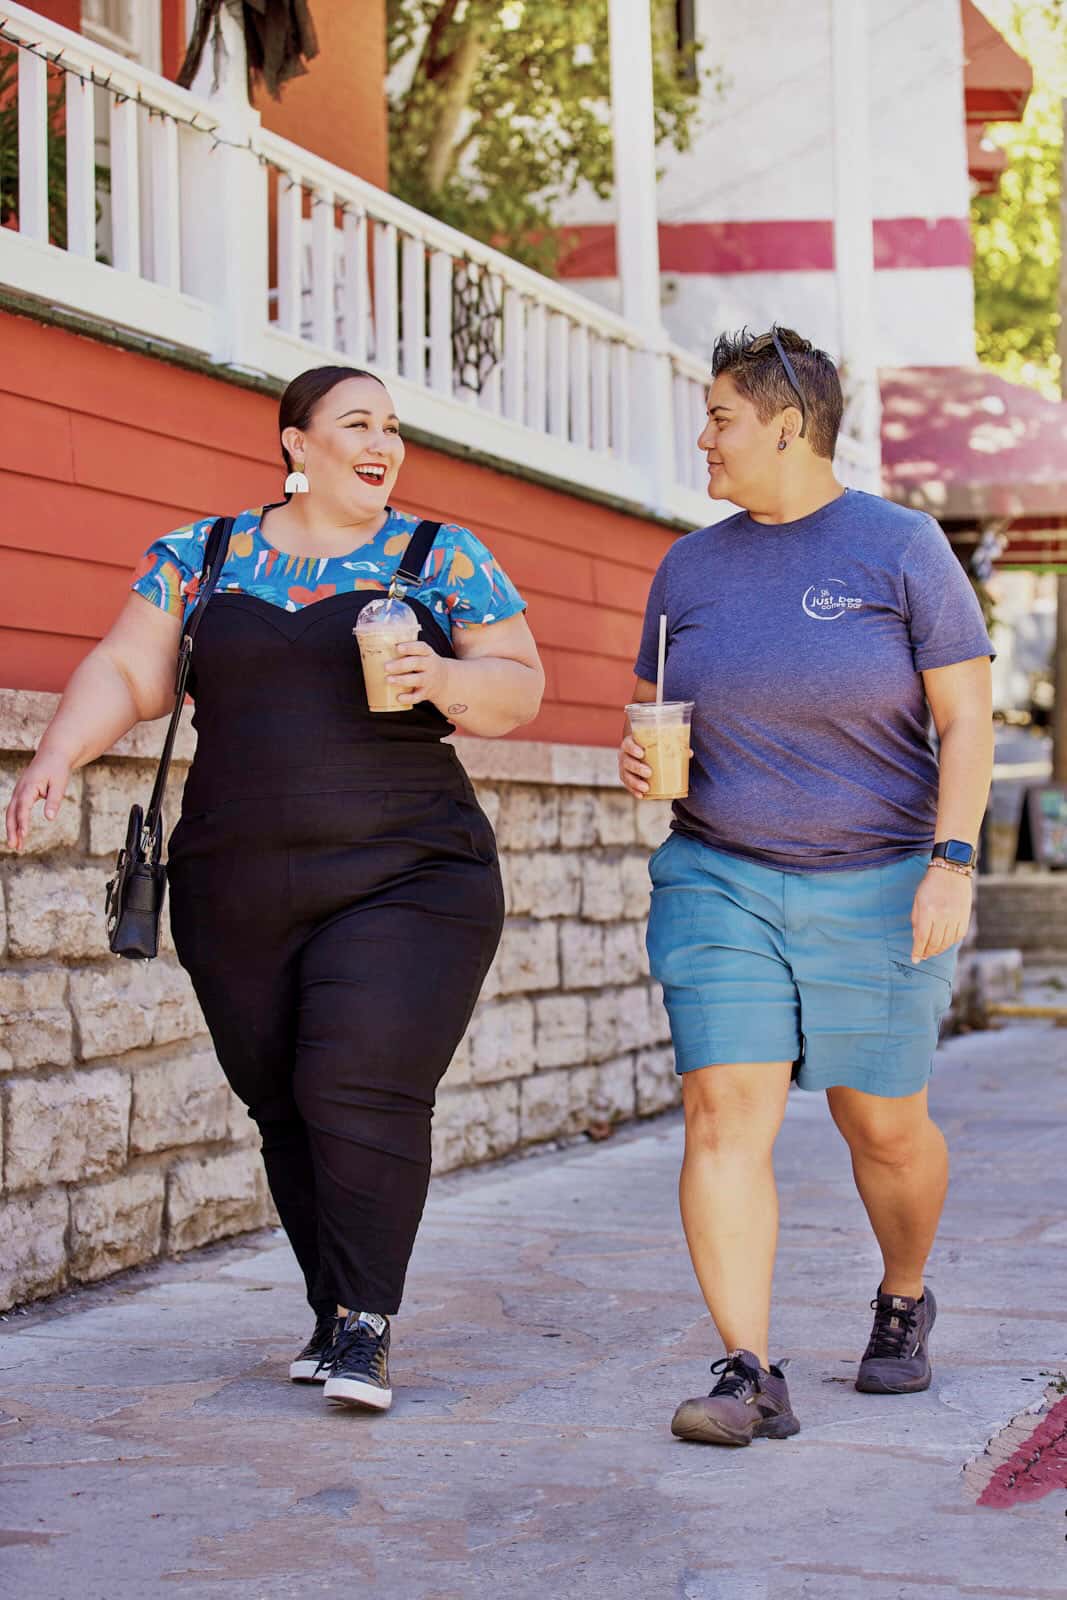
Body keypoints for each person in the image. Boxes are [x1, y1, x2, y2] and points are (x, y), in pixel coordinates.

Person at [7, 365, 545, 1413]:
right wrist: (55, 759)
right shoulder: (202, 556)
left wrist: (440, 678)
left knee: (357, 1081)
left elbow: (518, 684)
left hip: (411, 874)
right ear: (295, 443)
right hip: (235, 881)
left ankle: (364, 1324)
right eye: (357, 423)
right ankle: (331, 1303)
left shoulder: (438, 556)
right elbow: (129, 669)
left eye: (392, 426)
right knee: (283, 1102)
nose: (382, 440)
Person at [619, 326, 993, 1447]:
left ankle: (901, 1292)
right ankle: (745, 1369)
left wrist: (950, 860)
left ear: (788, 426)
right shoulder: (687, 565)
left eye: (721, 416)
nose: (703, 437)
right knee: (721, 1111)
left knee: (879, 1126)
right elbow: (652, 713)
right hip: (718, 874)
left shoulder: (898, 547)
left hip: (877, 879)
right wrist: (638, 761)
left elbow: (964, 715)